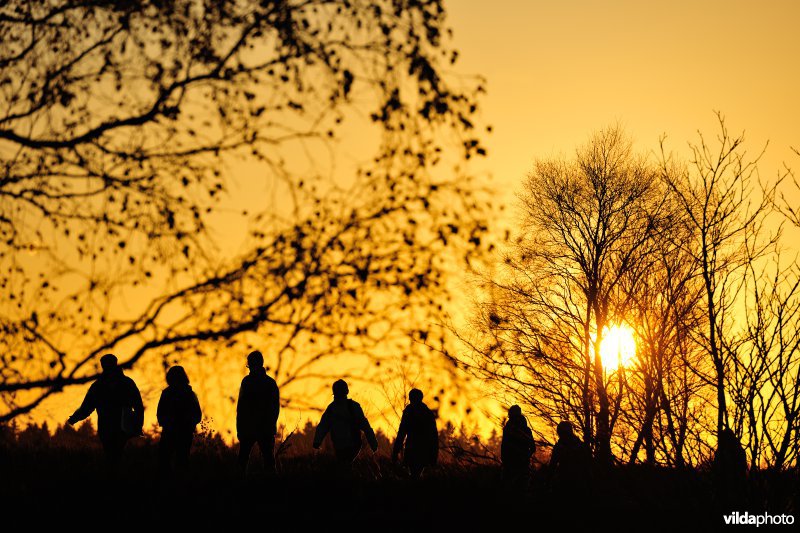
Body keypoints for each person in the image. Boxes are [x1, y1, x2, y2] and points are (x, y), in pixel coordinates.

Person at [67, 353, 144, 470]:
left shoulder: (105, 384)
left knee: (115, 456)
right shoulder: (103, 385)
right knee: (113, 456)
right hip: (108, 427)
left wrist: (138, 425)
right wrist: (75, 418)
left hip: (120, 426)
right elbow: (87, 406)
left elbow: (138, 405)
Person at [313, 379, 378, 470]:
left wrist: (317, 441)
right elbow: (366, 426)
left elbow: (323, 426)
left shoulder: (334, 408)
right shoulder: (348, 407)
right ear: (347, 391)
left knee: (344, 466)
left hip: (349, 445)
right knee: (345, 467)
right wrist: (373, 444)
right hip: (344, 445)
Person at [237, 350, 280, 476]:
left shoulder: (247, 382)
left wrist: (240, 428)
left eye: (249, 365)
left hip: (250, 428)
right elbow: (275, 408)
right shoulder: (270, 383)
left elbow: (241, 407)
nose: (249, 368)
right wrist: (271, 426)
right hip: (263, 428)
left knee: (243, 461)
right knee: (269, 462)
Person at [156, 365, 202, 478]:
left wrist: (188, 425)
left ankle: (172, 482)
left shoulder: (171, 393)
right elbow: (197, 415)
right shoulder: (189, 394)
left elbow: (197, 415)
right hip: (177, 431)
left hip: (178, 432)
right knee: (178, 460)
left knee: (170, 460)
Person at [392, 388, 438, 479]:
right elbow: (434, 436)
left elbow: (402, 432)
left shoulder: (409, 412)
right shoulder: (427, 413)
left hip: (414, 449)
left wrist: (395, 451)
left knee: (414, 475)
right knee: (416, 475)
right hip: (423, 450)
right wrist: (434, 455)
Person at [548, 421, 592, 502]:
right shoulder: (580, 445)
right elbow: (588, 466)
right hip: (578, 483)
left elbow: (552, 466)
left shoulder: (559, 447)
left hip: (567, 482)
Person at [501, 405, 536, 491]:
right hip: (512, 466)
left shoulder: (509, 429)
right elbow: (504, 447)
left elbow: (532, 448)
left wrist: (525, 458)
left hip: (518, 467)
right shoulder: (509, 429)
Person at [713, 427, 748, 510]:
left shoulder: (736, 450)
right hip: (725, 486)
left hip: (735, 485)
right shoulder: (722, 451)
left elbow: (741, 468)